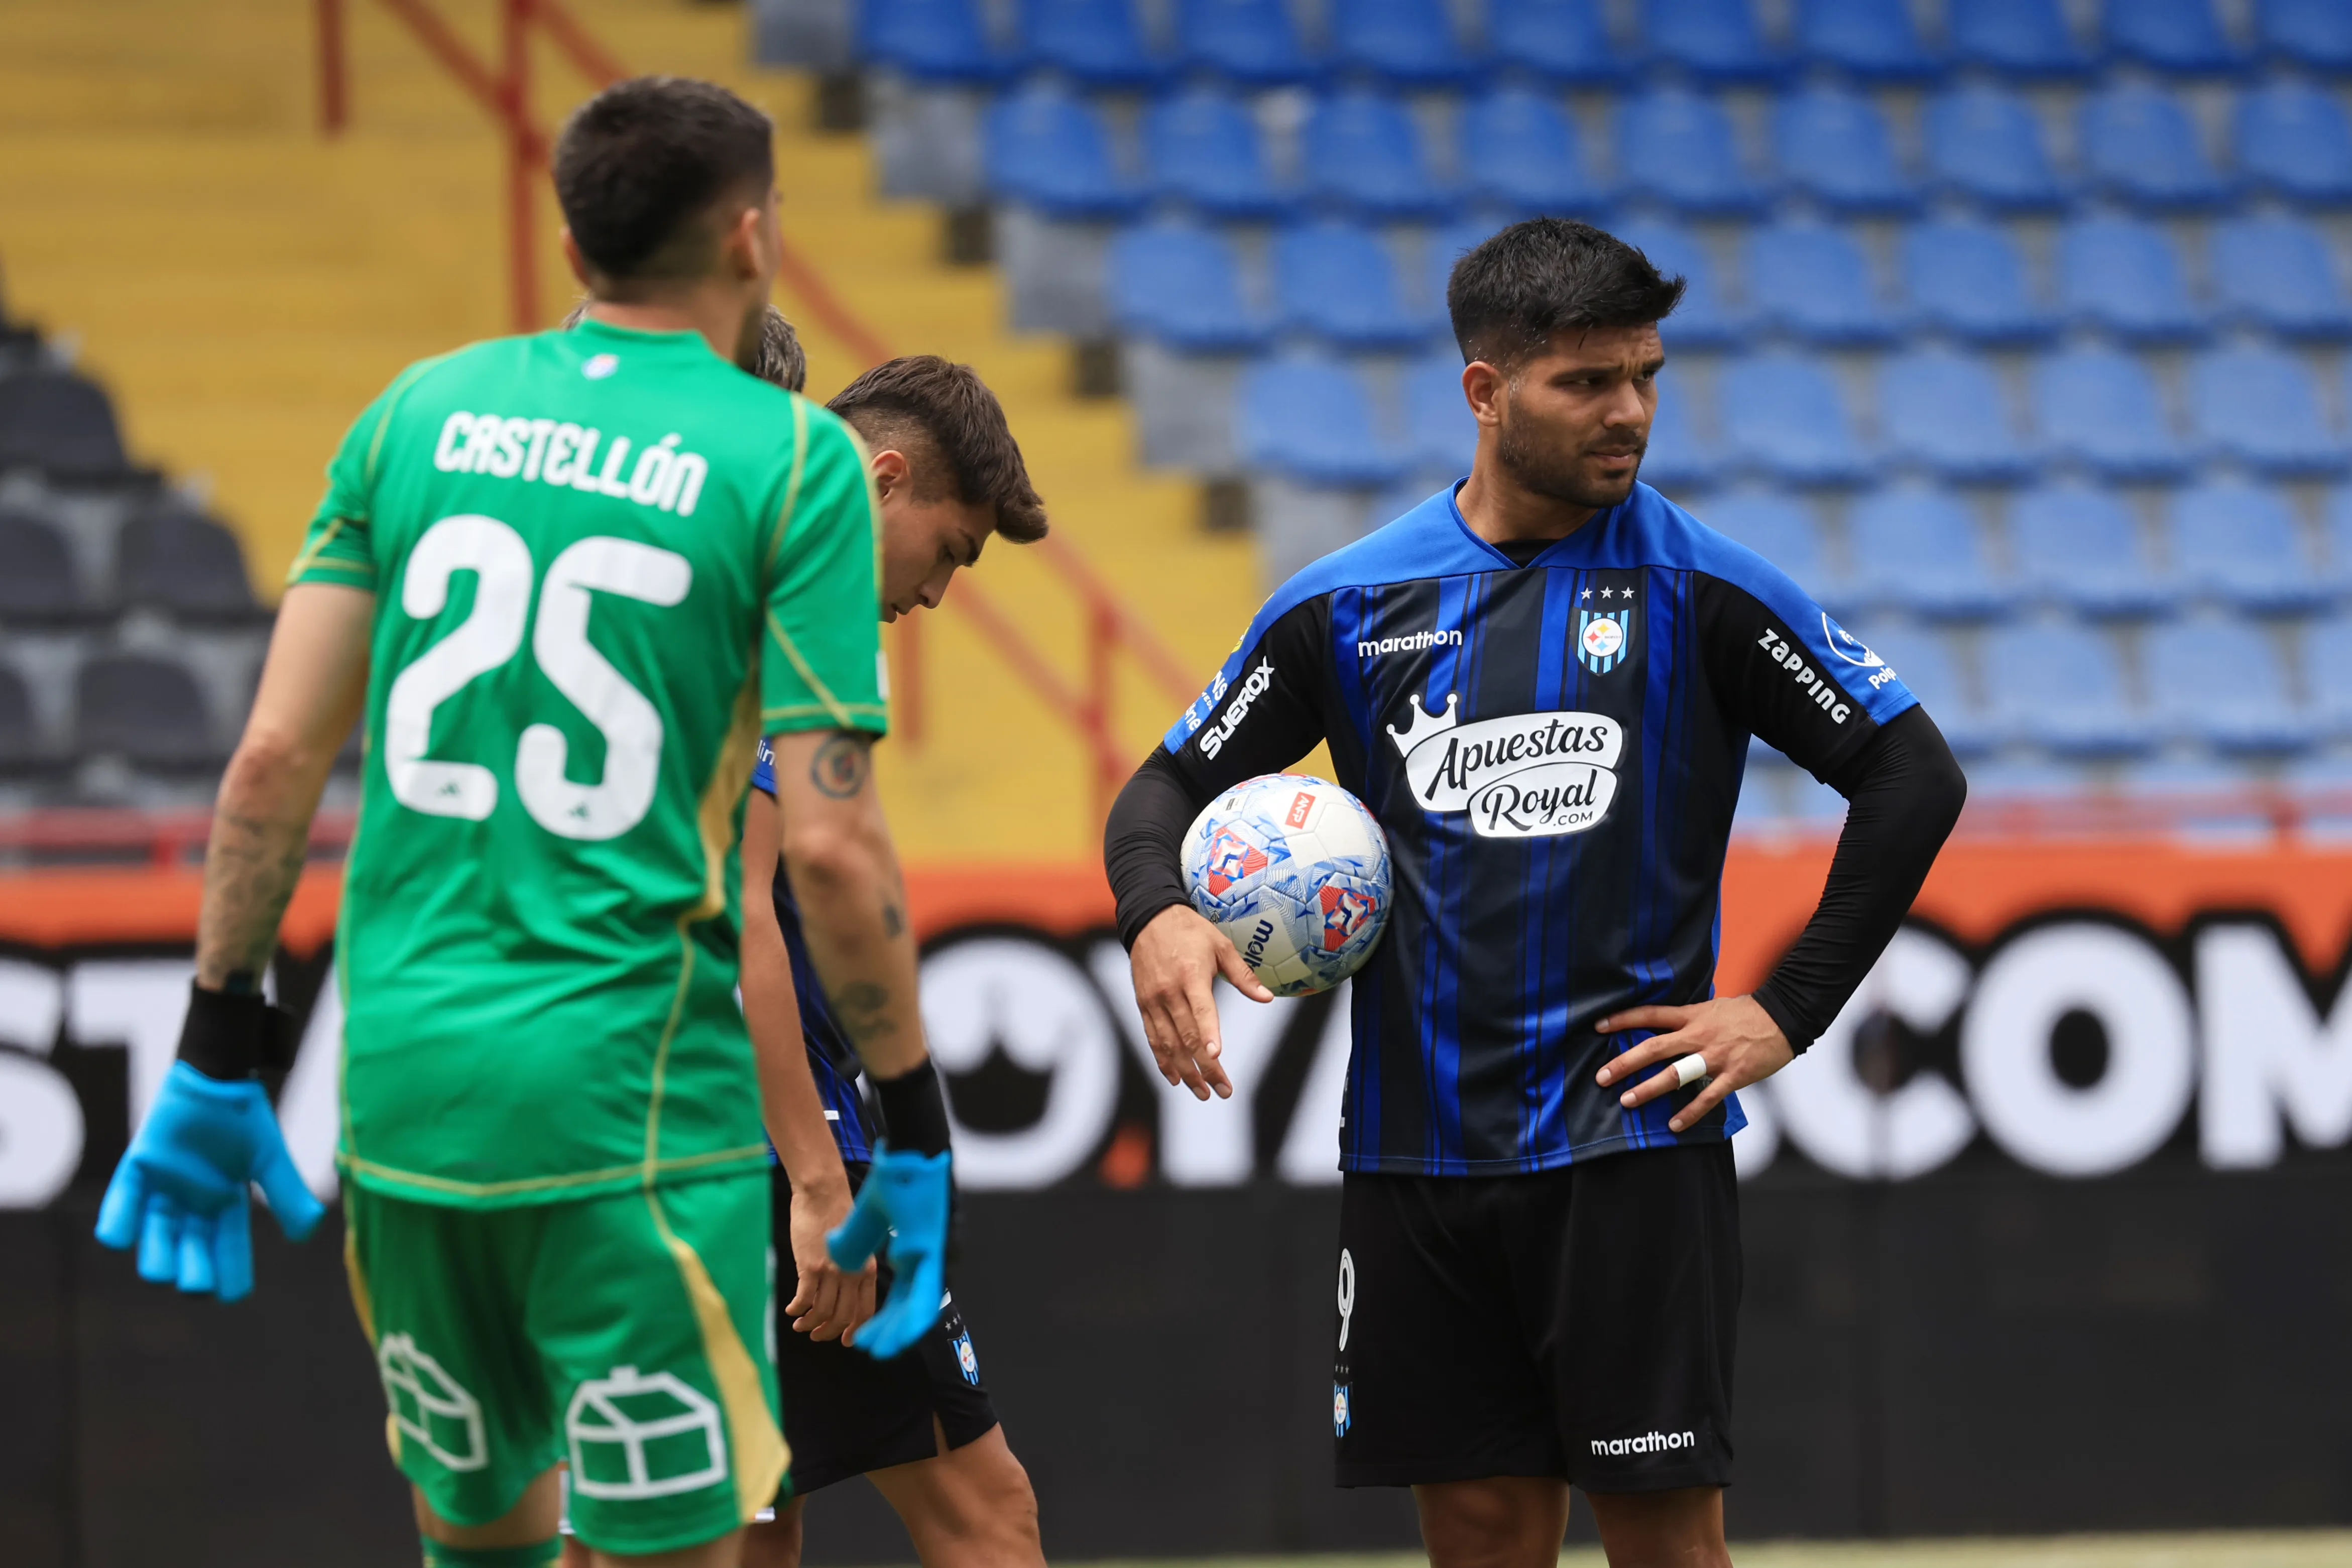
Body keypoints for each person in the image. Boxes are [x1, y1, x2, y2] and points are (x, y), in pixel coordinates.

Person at [92, 76, 958, 1568]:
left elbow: (273, 762)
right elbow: (827, 847)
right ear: (749, 239)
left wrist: (217, 1043)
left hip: (406, 1095)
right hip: (629, 1107)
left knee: (482, 1542)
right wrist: (915, 1129)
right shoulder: (793, 462)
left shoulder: (413, 414)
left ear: (571, 244)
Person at [1103, 217, 1968, 1568]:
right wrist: (1158, 910)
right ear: (1484, 390)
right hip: (1415, 1161)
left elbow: (1911, 774)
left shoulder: (1698, 586)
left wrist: (1784, 1012)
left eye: (1645, 376)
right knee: (1480, 1541)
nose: (1628, 412)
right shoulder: (1348, 604)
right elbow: (1159, 789)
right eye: (1586, 381)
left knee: (1664, 1548)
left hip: (1628, 1154)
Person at [549, 327, 1049, 1568]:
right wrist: (821, 1180)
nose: (935, 594)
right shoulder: (777, 598)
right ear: (883, 478)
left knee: (739, 1519)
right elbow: (744, 916)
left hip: (604, 1105)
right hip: (755, 1136)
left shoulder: (607, 578)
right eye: (950, 551)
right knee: (983, 1512)